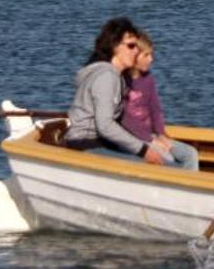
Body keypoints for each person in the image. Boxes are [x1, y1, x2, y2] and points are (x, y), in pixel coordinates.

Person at [63, 17, 167, 166]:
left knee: (161, 158)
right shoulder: (107, 76)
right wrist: (143, 150)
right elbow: (105, 125)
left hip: (101, 143)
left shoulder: (115, 76)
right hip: (87, 144)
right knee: (164, 166)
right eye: (131, 46)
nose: (136, 51)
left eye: (137, 46)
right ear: (114, 46)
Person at [119, 32, 199, 170]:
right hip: (134, 138)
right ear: (134, 56)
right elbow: (126, 119)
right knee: (167, 158)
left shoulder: (148, 78)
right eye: (146, 55)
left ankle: (190, 187)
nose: (151, 59)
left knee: (190, 154)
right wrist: (152, 140)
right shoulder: (121, 81)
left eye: (151, 55)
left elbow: (155, 109)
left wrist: (161, 135)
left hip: (152, 135)